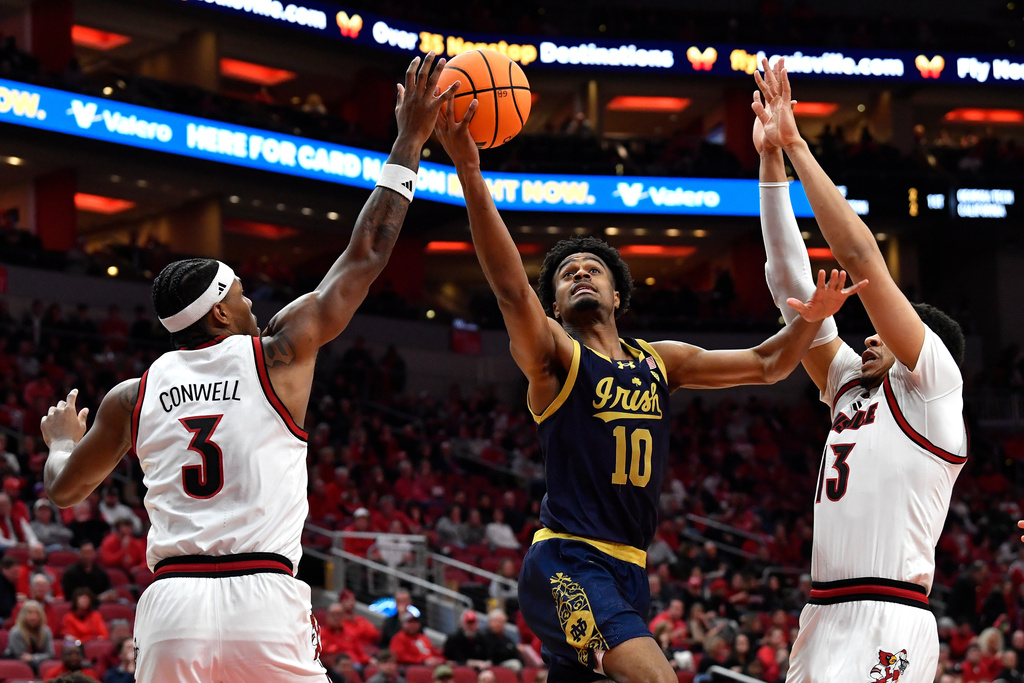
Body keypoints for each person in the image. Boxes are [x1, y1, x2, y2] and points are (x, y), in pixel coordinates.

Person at [39, 51, 460, 683]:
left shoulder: (134, 394)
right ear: (216, 315)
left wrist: (60, 444)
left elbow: (64, 489)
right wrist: (408, 140)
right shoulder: (277, 353)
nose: (250, 300)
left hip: (173, 603)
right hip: (261, 594)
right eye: (237, 292)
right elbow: (367, 253)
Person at [433, 92, 861, 683]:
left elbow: (768, 365)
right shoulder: (556, 358)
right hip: (568, 561)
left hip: (631, 571)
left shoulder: (661, 362)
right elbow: (511, 292)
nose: (579, 273)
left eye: (593, 269)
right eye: (565, 274)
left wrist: (813, 316)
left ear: (618, 295)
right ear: (555, 303)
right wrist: (471, 172)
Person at [752, 57, 968, 683]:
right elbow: (792, 289)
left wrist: (796, 143)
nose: (868, 337)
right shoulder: (850, 383)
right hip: (821, 614)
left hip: (889, 613)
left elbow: (858, 255)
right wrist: (770, 165)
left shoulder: (934, 386)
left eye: (883, 331)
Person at [3, 598, 54, 675]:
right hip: (17, 666)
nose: (33, 617)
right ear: (23, 615)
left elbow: (50, 654)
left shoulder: (46, 631)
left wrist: (33, 658)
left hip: (38, 664)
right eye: (29, 613)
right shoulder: (16, 632)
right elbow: (22, 657)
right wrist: (39, 658)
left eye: (36, 613)